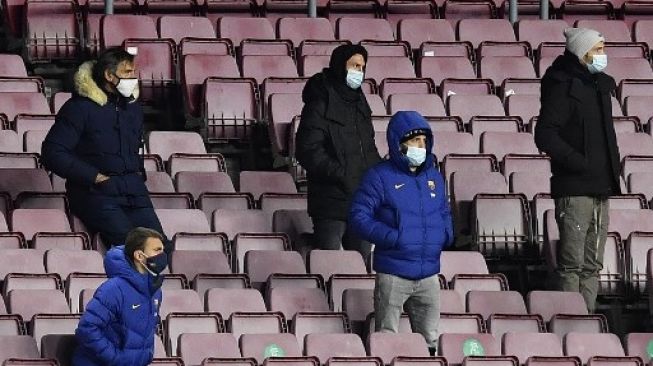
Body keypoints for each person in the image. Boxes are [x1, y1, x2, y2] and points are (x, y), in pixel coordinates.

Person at [41, 47, 168, 253]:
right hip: (95, 193)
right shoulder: (78, 108)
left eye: (134, 72)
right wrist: (95, 177)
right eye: (127, 73)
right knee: (135, 248)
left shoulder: (132, 107)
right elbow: (52, 152)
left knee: (160, 248)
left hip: (134, 190)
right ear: (109, 75)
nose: (133, 78)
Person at [349, 111, 453, 354]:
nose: (421, 146)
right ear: (399, 143)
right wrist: (393, 238)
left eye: (424, 141)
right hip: (393, 274)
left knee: (430, 343)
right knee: (387, 340)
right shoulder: (379, 176)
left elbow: (444, 211)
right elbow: (358, 216)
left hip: (429, 275)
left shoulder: (434, 177)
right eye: (415, 141)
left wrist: (445, 235)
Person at [535, 28, 621, 312]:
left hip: (600, 187)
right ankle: (570, 321)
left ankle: (588, 323)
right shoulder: (563, 85)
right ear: (582, 52)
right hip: (575, 189)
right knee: (572, 264)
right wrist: (578, 162)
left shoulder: (599, 86)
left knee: (593, 265)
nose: (602, 55)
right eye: (597, 49)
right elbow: (545, 134)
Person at [296, 44, 381, 257]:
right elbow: (308, 150)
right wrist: (342, 174)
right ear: (340, 66)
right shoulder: (320, 101)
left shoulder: (360, 102)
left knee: (361, 265)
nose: (358, 72)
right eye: (354, 66)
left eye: (362, 67)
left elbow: (368, 148)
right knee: (329, 264)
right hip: (330, 202)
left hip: (361, 202)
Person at [73, 227, 167, 366]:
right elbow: (87, 328)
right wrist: (115, 358)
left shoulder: (155, 291)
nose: (163, 255)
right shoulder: (113, 289)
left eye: (162, 250)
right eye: (157, 250)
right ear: (139, 256)